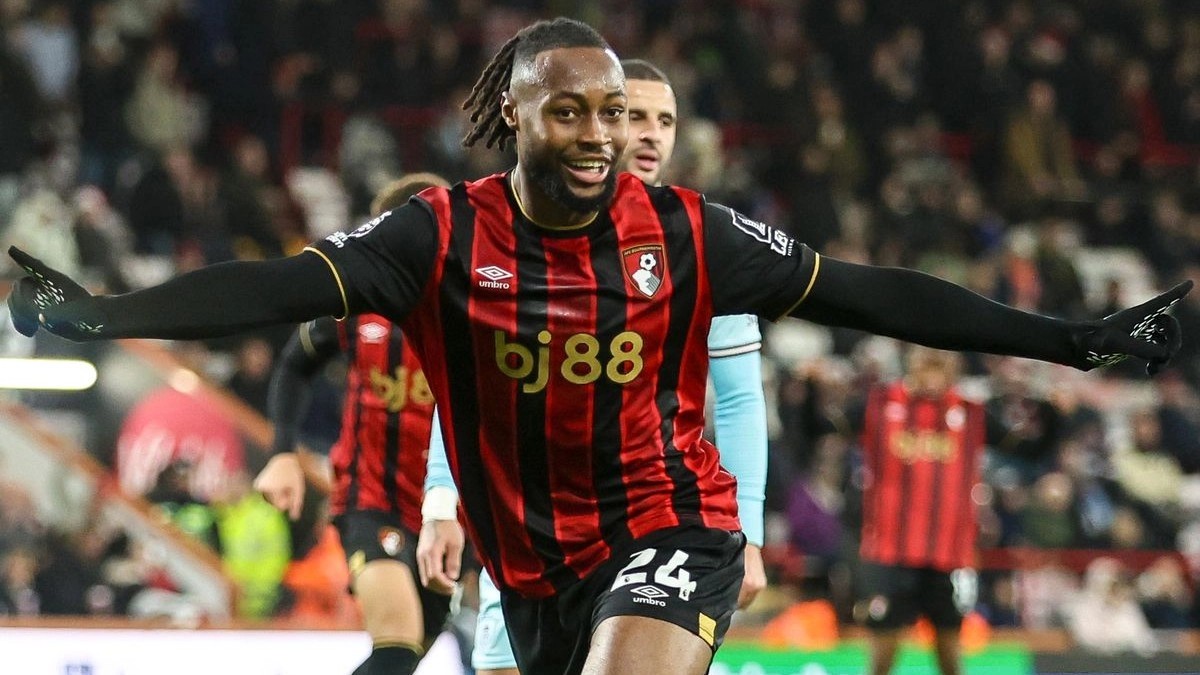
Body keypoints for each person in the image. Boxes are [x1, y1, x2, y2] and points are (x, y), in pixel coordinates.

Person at [5, 17, 1189, 675]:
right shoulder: (436, 235)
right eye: (567, 109)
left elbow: (871, 295)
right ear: (513, 112)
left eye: (611, 112)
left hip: (671, 525)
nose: (595, 133)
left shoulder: (685, 231)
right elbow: (274, 288)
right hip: (532, 566)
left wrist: (1071, 340)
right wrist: (107, 314)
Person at [413, 59, 770, 675]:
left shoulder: (699, 242)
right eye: (636, 116)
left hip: (652, 526)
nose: (651, 134)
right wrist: (441, 500)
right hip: (530, 533)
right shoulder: (508, 233)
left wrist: (753, 533)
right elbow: (471, 389)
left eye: (667, 121)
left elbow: (739, 399)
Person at [253, 173, 453, 675]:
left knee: (407, 656)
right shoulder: (356, 305)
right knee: (397, 647)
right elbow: (294, 365)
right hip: (371, 499)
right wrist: (282, 452)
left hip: (448, 514)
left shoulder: (475, 309)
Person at [856, 346, 983, 675]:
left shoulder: (969, 412)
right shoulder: (881, 404)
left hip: (946, 554)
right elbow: (824, 424)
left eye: (939, 368)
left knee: (950, 644)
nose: (932, 376)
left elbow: (1029, 445)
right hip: (892, 551)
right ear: (912, 368)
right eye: (926, 366)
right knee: (884, 641)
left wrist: (1055, 412)